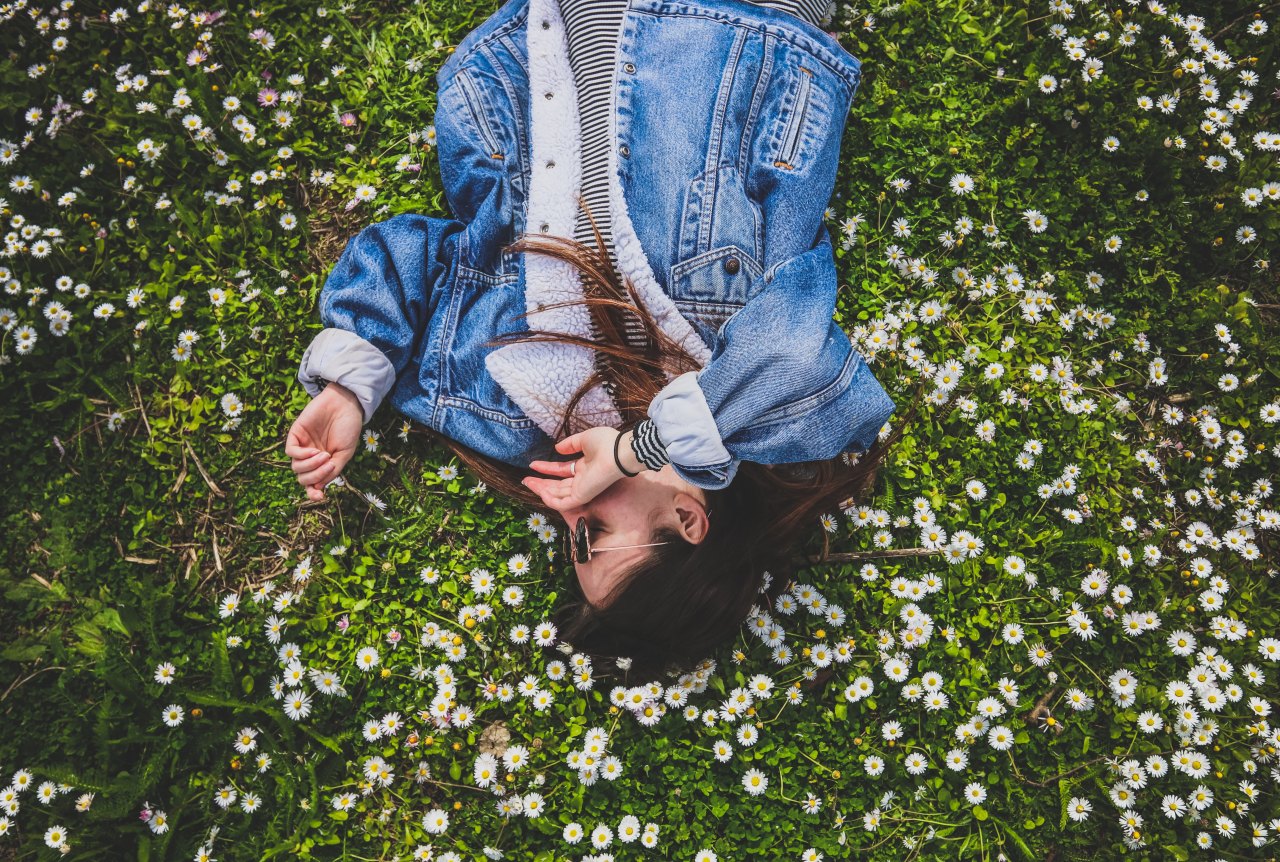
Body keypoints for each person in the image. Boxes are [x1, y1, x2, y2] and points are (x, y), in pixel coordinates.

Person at [286, 0, 916, 679]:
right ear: (688, 519)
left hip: (548, 37)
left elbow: (415, 258)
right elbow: (798, 356)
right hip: (733, 25)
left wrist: (351, 385)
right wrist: (635, 449)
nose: (566, 517)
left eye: (571, 545)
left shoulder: (514, 406)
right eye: (594, 536)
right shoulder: (772, 411)